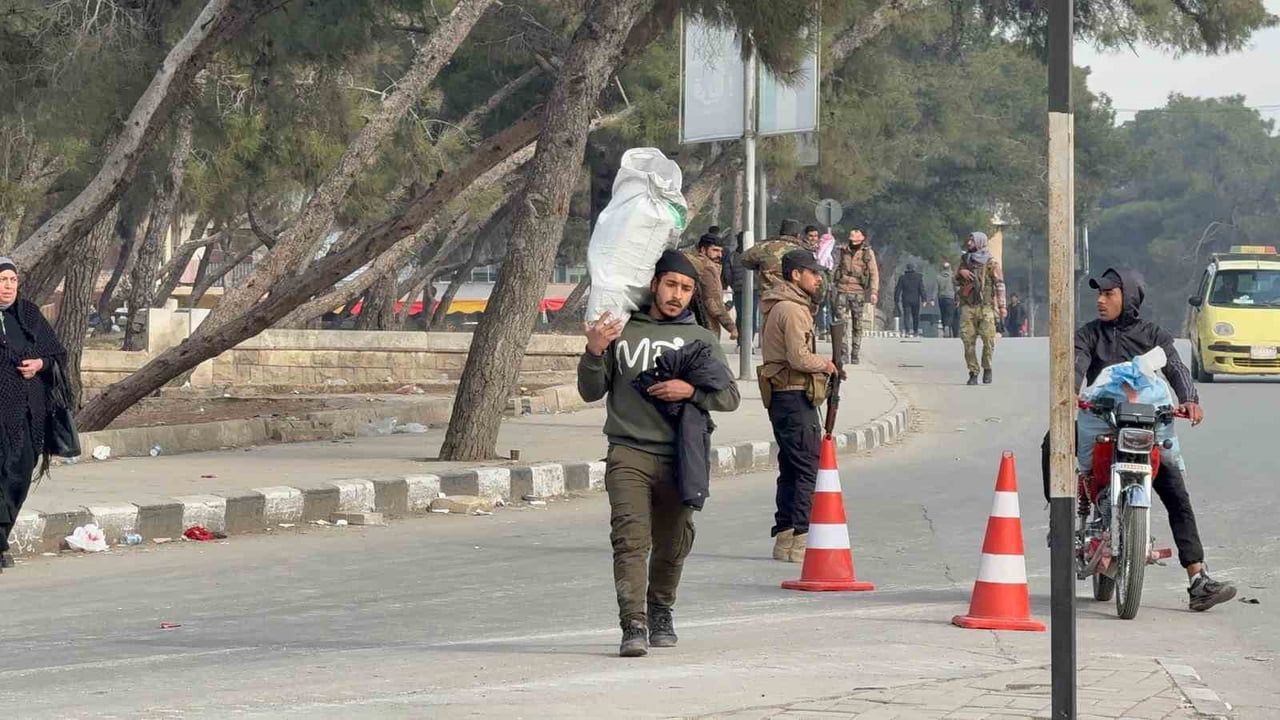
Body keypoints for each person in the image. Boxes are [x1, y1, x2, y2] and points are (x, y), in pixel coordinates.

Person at [1040, 268, 1236, 612]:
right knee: (1051, 442)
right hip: (1098, 422)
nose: (1101, 300)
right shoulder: (1088, 334)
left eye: (1109, 294)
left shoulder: (1154, 335)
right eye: (1099, 294)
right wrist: (1070, 390)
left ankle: (1198, 578)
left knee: (1177, 493)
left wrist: (1189, 399)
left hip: (1143, 427)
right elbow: (1075, 363)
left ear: (1128, 298)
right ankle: (1058, 523)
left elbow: (1175, 367)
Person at [578, 250, 741, 657]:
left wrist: (692, 391)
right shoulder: (623, 330)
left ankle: (661, 610)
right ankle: (632, 624)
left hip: (682, 458)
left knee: (673, 543)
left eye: (686, 289)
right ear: (654, 285)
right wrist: (594, 352)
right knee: (630, 541)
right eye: (671, 285)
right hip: (628, 452)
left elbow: (730, 396)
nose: (677, 295)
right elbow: (590, 391)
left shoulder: (701, 339)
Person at [759, 250, 837, 564]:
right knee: (807, 468)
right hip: (793, 395)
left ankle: (785, 537)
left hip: (783, 396)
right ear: (795, 275)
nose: (817, 278)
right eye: (812, 273)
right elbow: (799, 357)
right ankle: (801, 540)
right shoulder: (791, 309)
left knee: (791, 469)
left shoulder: (783, 305)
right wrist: (828, 365)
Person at [0, 257, 66, 572]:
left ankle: (1, 535)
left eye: (12, 280)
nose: (8, 286)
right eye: (2, 280)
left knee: (20, 477)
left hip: (28, 414)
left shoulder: (29, 314)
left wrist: (39, 364)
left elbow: (56, 355)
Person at [955, 231, 1007, 385]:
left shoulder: (991, 263)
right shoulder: (965, 261)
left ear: (979, 242)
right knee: (967, 340)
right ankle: (973, 372)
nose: (969, 243)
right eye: (969, 240)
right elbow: (955, 281)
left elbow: (1000, 285)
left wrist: (1002, 306)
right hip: (967, 307)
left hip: (986, 307)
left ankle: (987, 367)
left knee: (988, 340)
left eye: (972, 241)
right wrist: (961, 272)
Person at [831, 227, 879, 365]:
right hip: (842, 290)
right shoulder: (843, 251)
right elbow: (836, 267)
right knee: (842, 323)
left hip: (858, 292)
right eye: (852, 240)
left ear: (862, 240)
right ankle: (844, 353)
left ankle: (855, 354)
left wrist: (874, 292)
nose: (854, 243)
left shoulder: (867, 253)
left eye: (856, 241)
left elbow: (874, 273)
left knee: (857, 325)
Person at [684, 231, 738, 342]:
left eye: (721, 251)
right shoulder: (707, 268)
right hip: (706, 326)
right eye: (715, 250)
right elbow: (713, 302)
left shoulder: (695, 264)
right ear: (703, 250)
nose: (720, 255)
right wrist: (731, 327)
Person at [740, 218, 811, 293]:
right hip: (796, 296)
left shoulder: (764, 246)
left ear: (780, 232)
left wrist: (759, 266)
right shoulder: (804, 250)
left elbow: (744, 259)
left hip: (769, 296)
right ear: (798, 235)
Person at [894, 263, 925, 337]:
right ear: (914, 268)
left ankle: (907, 331)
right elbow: (921, 289)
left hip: (906, 299)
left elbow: (898, 289)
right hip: (915, 300)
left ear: (907, 269)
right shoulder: (918, 277)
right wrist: (924, 299)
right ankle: (915, 331)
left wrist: (896, 299)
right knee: (916, 316)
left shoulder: (902, 278)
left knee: (906, 315)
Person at [936, 262, 957, 338]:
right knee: (950, 314)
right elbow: (956, 288)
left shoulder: (938, 277)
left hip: (941, 298)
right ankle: (948, 326)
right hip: (950, 297)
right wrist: (958, 298)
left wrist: (932, 298)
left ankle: (945, 326)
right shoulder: (953, 277)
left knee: (943, 313)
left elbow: (936, 288)